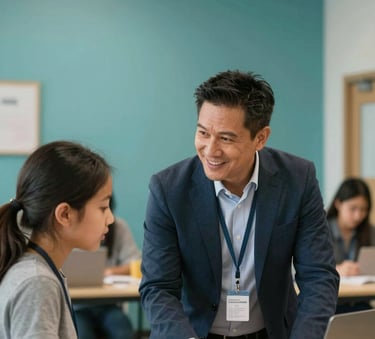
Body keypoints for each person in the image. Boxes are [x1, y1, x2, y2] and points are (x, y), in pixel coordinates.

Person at [139, 70, 339, 339]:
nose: (210, 150)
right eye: (202, 133)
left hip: (271, 331)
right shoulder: (168, 189)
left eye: (226, 138)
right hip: (193, 332)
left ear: (261, 138)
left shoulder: (297, 180)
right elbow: (158, 287)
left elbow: (318, 277)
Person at [0, 140, 114, 339]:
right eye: (103, 207)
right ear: (65, 215)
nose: (110, 218)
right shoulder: (38, 282)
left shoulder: (38, 271)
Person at [73, 195, 141, 339]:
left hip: (108, 304)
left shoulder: (118, 228)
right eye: (101, 209)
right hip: (77, 307)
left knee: (122, 331)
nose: (108, 218)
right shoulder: (71, 232)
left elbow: (136, 262)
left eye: (107, 209)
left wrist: (109, 272)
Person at [326, 177, 375, 313]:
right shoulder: (320, 231)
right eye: (353, 208)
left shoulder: (370, 232)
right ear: (338, 204)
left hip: (360, 304)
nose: (358, 215)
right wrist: (336, 270)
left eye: (364, 210)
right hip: (330, 306)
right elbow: (298, 271)